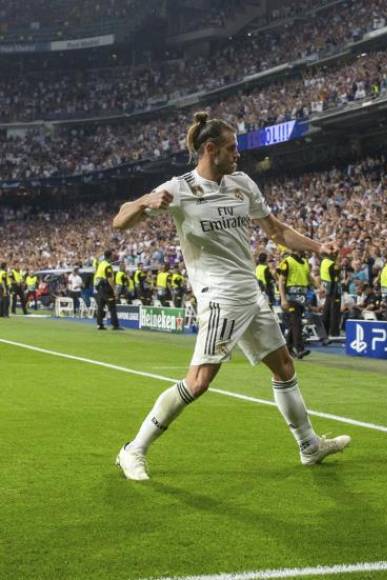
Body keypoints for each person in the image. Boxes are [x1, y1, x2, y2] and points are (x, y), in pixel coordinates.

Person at [112, 111, 349, 481]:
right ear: (210, 149)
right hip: (219, 296)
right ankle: (133, 450)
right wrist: (144, 203)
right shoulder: (180, 188)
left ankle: (309, 446)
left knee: (284, 368)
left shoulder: (241, 183)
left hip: (250, 293)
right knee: (198, 382)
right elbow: (120, 220)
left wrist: (320, 248)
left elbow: (276, 231)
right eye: (231, 148)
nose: (238, 154)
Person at [279, 249, 314, 359]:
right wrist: (283, 299)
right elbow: (281, 281)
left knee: (294, 323)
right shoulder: (287, 262)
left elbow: (308, 277)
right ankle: (299, 349)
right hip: (291, 297)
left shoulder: (305, 262)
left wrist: (319, 286)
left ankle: (288, 349)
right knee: (296, 322)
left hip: (302, 297)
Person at [94, 250, 120, 330]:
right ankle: (115, 325)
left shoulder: (101, 263)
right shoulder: (107, 266)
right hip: (106, 288)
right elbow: (110, 279)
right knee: (112, 307)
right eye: (112, 255)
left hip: (99, 288)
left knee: (100, 307)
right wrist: (114, 290)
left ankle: (99, 324)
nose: (113, 257)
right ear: (110, 256)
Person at [319, 249, 342, 339]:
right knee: (334, 312)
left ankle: (324, 332)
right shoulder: (333, 265)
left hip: (327, 289)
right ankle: (334, 333)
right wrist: (338, 264)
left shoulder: (323, 262)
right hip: (334, 290)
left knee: (326, 311)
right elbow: (336, 279)